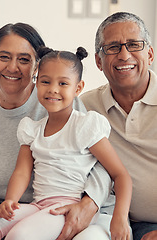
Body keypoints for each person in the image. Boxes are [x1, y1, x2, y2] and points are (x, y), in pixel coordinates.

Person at [0, 23, 115, 240]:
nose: (13, 67)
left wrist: (89, 203)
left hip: (69, 205)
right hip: (29, 208)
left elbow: (100, 166)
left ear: (36, 68)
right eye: (4, 57)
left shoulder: (63, 104)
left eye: (24, 59)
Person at [81, 12, 156, 240]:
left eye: (134, 45)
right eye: (112, 47)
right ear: (98, 61)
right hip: (112, 219)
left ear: (150, 54)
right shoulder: (85, 108)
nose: (124, 55)